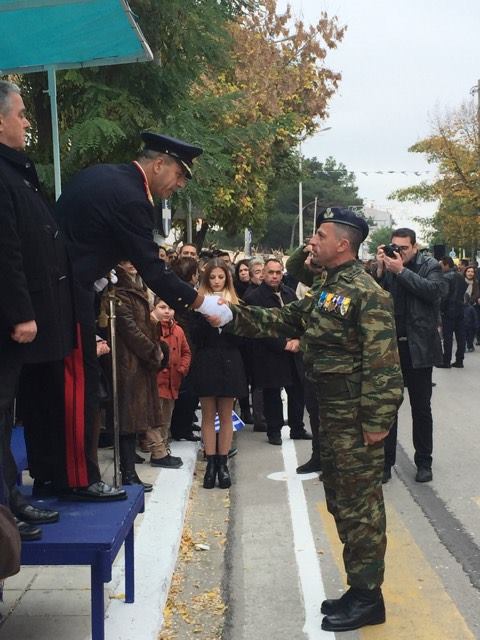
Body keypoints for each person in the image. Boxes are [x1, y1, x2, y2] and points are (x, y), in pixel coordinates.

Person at [215, 208, 403, 632]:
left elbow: (385, 367)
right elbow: (285, 319)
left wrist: (377, 422)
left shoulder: (366, 293)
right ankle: (359, 589)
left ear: (343, 243)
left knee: (361, 508)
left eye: (319, 234)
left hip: (356, 418)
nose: (311, 242)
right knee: (340, 500)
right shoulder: (328, 287)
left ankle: (369, 596)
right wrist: (229, 315)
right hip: (332, 414)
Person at [55, 131, 232, 500]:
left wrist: (97, 274)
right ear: (158, 164)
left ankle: (56, 472)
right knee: (79, 387)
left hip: (68, 286)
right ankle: (78, 478)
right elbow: (153, 269)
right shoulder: (134, 199)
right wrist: (203, 304)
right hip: (67, 295)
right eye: (179, 175)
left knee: (67, 387)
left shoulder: (104, 175)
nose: (179, 185)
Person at [0, 80, 73, 538]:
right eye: (21, 113)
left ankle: (11, 501)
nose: (26, 122)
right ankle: (6, 513)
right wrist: (20, 312)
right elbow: (6, 251)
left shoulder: (15, 172)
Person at [376, 228, 446, 484]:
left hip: (419, 347)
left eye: (403, 248)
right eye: (394, 247)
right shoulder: (390, 266)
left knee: (421, 407)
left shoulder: (429, 265)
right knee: (388, 407)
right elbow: (376, 298)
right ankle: (385, 463)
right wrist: (381, 271)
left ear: (415, 247)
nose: (398, 252)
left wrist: (400, 271)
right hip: (392, 347)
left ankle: (424, 462)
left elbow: (434, 292)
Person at [191, 259, 247, 489]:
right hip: (207, 360)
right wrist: (207, 319)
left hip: (230, 360)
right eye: (212, 277)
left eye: (220, 277)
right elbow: (194, 336)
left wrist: (227, 318)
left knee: (226, 414)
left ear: (227, 278)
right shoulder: (198, 304)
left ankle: (223, 464)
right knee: (207, 414)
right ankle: (210, 463)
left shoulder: (237, 304)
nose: (216, 281)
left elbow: (243, 337)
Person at [244, 258, 310, 445]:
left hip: (294, 351)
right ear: (263, 273)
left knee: (297, 391)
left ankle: (297, 428)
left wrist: (298, 340)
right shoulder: (254, 298)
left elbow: (300, 320)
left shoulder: (289, 293)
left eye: (278, 272)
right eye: (270, 272)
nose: (274, 276)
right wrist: (282, 344)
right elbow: (257, 327)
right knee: (272, 393)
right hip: (270, 353)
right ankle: (274, 431)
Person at [114, 261, 166, 490]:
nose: (132, 265)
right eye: (126, 261)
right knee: (128, 418)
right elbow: (129, 328)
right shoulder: (120, 291)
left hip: (139, 362)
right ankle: (127, 472)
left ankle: (129, 469)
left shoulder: (137, 286)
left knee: (134, 418)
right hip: (129, 362)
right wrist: (152, 351)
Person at [151, 297, 193, 461]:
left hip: (173, 381)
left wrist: (182, 368)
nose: (167, 311)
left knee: (167, 416)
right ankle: (158, 450)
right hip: (156, 381)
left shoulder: (178, 331)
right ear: (154, 308)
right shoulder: (150, 328)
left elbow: (186, 352)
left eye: (170, 308)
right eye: (162, 307)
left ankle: (163, 446)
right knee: (156, 418)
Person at [438, 257, 466, 368]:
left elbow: (444, 296)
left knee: (448, 338)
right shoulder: (460, 276)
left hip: (448, 311)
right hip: (460, 309)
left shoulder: (445, 277)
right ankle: (459, 360)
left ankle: (446, 361)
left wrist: (442, 309)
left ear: (446, 265)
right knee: (460, 337)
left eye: (441, 265)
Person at [463, 265, 479, 353]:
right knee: (463, 327)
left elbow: (477, 294)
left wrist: (472, 300)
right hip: (462, 306)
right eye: (468, 271)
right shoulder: (461, 281)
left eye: (472, 272)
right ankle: (464, 344)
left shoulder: (476, 283)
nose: (470, 273)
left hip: (472, 306)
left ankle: (469, 344)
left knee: (471, 328)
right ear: (465, 272)